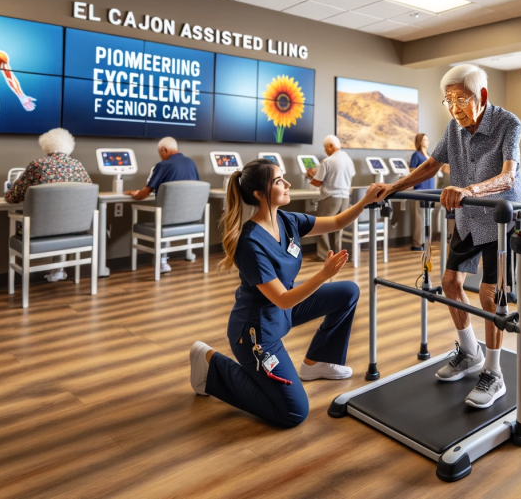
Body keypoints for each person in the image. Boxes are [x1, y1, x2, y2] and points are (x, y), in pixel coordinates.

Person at [187, 159, 383, 428]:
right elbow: (281, 298)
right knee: (293, 412)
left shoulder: (287, 220)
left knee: (348, 291)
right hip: (258, 333)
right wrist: (323, 275)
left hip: (284, 311)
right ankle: (212, 366)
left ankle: (317, 362)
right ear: (259, 194)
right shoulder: (250, 243)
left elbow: (336, 221)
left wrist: (366, 201)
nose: (288, 184)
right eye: (279, 181)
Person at [372, 64, 521, 409]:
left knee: (491, 294)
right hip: (470, 217)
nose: (454, 108)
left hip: (500, 219)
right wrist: (392, 187)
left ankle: (494, 372)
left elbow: (509, 177)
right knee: (450, 282)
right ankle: (469, 351)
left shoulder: (508, 123)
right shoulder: (454, 128)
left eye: (460, 99)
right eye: (448, 100)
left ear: (482, 96)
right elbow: (431, 164)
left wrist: (468, 188)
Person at [5, 128, 92, 282]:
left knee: (28, 222)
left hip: (40, 230)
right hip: (74, 229)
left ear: (45, 145)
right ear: (69, 145)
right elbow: (88, 194)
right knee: (59, 221)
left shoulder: (37, 165)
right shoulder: (79, 166)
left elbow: (13, 197)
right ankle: (58, 270)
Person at [125, 137, 201, 272]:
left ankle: (162, 261)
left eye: (160, 153)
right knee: (167, 213)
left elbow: (145, 193)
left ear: (164, 150)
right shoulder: (191, 163)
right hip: (190, 219)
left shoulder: (163, 165)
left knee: (164, 214)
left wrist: (134, 193)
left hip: (168, 219)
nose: (161, 157)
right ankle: (165, 259)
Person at [305, 135, 355, 260]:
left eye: (325, 148)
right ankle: (337, 255)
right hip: (345, 197)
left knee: (321, 226)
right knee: (338, 227)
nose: (325, 151)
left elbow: (317, 182)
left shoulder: (328, 161)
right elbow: (352, 174)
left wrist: (310, 175)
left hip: (330, 197)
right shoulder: (348, 159)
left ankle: (324, 256)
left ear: (331, 146)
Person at [410, 133, 436, 251]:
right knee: (419, 218)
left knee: (427, 217)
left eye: (428, 139)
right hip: (420, 189)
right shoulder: (416, 155)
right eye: (425, 139)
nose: (427, 141)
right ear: (420, 141)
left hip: (430, 190)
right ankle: (417, 243)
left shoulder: (429, 155)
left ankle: (426, 242)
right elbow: (412, 171)